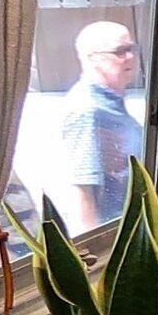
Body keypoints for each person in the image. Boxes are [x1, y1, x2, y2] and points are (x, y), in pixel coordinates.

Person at [42, 19, 144, 232]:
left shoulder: (111, 102)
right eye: (120, 51)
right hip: (116, 233)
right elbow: (82, 191)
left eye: (131, 49)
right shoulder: (87, 109)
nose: (131, 57)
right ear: (92, 59)